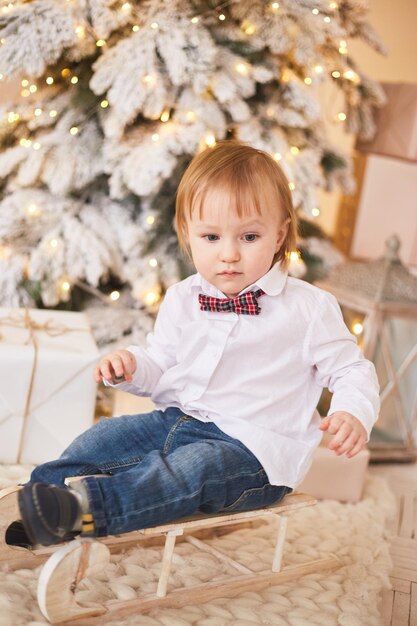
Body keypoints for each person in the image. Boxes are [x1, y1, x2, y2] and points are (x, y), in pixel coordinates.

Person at [15, 140, 379, 547]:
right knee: (103, 438)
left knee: (190, 470)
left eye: (249, 236)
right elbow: (161, 362)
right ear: (187, 233)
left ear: (279, 235)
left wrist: (352, 411)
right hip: (177, 420)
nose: (228, 254)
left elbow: (351, 370)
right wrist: (133, 365)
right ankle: (38, 498)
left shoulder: (308, 308)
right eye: (210, 237)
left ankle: (83, 512)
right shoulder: (184, 298)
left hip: (252, 454)